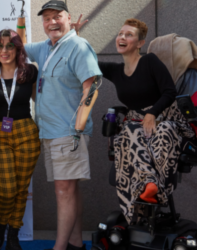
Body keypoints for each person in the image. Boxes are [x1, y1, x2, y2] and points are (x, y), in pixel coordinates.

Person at [75, 18, 195, 223]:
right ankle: (149, 186)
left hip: (166, 117)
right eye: (121, 34)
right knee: (127, 132)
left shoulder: (150, 62)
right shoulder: (114, 70)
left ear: (140, 43)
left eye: (129, 35)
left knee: (158, 130)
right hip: (135, 124)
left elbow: (169, 92)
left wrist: (152, 113)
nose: (122, 37)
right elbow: (85, 59)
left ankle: (152, 188)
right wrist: (75, 38)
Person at [20, 0, 102, 250]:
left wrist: (77, 128)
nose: (51, 22)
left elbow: (92, 86)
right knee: (70, 190)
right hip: (52, 132)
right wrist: (20, 21)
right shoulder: (46, 46)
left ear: (68, 18)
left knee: (63, 192)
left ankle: (59, 247)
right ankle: (76, 243)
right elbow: (19, 48)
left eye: (57, 17)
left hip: (68, 133)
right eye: (46, 18)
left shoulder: (78, 45)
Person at [0, 29, 40, 250]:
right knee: (6, 189)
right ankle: (1, 223)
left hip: (27, 132)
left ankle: (13, 234)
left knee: (22, 187)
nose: (4, 51)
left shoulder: (30, 72)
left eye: (9, 46)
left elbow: (41, 96)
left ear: (18, 49)